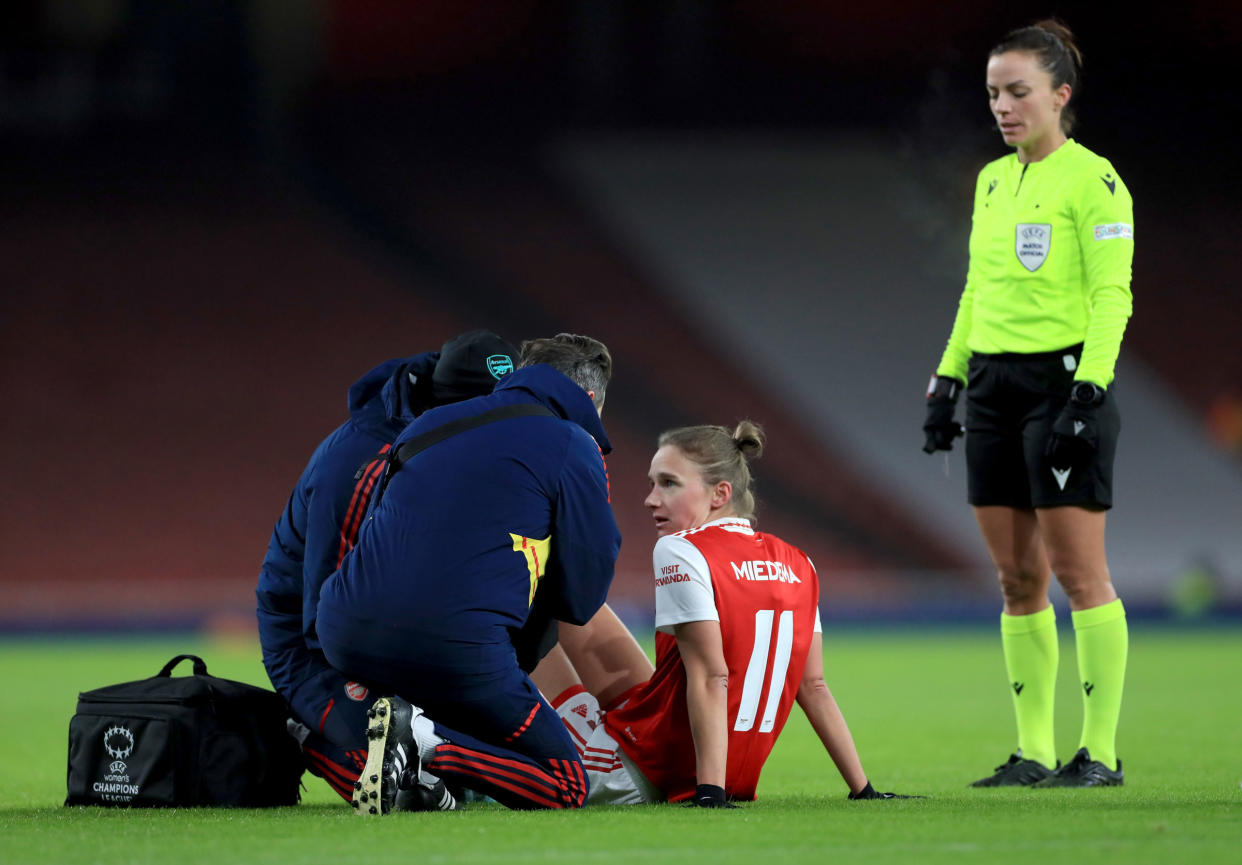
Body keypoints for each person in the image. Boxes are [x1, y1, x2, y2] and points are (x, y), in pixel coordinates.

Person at [922, 19, 1133, 788]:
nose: (1003, 107)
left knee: (1081, 575)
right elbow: (979, 288)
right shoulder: (990, 179)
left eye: (1018, 92)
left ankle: (1101, 752)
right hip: (992, 387)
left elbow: (1114, 295)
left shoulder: (1096, 181)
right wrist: (948, 379)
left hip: (1062, 385)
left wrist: (1090, 391)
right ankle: (1036, 752)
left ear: (1060, 95)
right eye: (992, 94)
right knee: (1017, 580)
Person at [316, 333, 621, 813]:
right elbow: (582, 596)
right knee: (567, 784)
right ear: (589, 400)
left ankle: (334, 739)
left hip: (344, 634)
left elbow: (373, 532)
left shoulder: (430, 422)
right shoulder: (572, 443)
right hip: (454, 649)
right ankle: (425, 743)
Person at [553, 421, 911, 806]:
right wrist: (863, 789)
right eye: (653, 483)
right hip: (711, 770)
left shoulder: (681, 549)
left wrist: (709, 793)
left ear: (720, 493)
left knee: (534, 601)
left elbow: (711, 675)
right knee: (571, 602)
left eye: (669, 484)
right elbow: (814, 687)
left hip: (632, 772)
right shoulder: (799, 563)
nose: (651, 499)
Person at [255, 329, 518, 802]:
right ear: (454, 407)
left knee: (476, 774)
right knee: (402, 777)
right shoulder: (360, 462)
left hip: (416, 630)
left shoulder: (465, 444)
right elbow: (323, 614)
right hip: (318, 643)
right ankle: (301, 732)